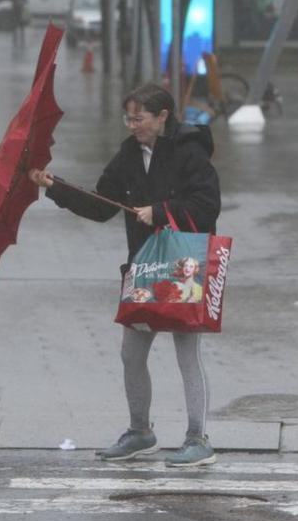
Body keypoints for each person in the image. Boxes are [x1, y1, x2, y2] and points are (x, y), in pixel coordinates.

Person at [29, 83, 222, 468]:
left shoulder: (189, 150)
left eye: (140, 118)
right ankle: (140, 432)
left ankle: (198, 438)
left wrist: (160, 210)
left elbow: (207, 206)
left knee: (187, 353)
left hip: (185, 267)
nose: (133, 125)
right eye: (128, 118)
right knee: (131, 354)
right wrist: (56, 188)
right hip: (143, 268)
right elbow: (103, 205)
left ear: (162, 116)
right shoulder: (128, 154)